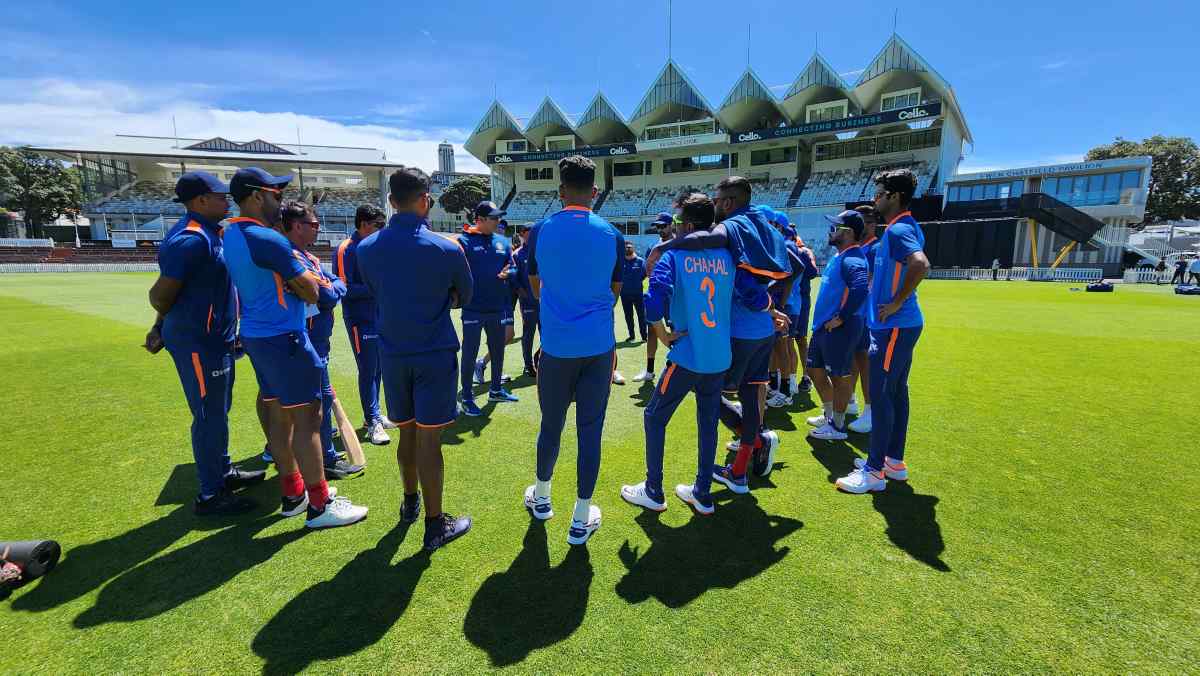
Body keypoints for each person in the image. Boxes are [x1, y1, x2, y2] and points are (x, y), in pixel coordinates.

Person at [222, 167, 368, 528]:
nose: (280, 200)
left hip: (258, 335)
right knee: (308, 419)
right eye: (276, 194)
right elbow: (314, 292)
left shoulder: (232, 232)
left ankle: (294, 494)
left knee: (279, 415)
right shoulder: (266, 239)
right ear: (256, 196)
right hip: (285, 337)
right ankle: (320, 504)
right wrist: (313, 285)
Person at [356, 166, 474, 551]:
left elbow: (375, 290)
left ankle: (410, 503)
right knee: (429, 438)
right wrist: (444, 298)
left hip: (393, 352)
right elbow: (465, 295)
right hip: (434, 353)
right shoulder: (447, 248)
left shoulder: (366, 248)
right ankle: (435, 525)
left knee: (406, 431)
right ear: (426, 200)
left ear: (391, 201)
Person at [620, 194, 748, 515]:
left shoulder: (674, 256)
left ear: (688, 226)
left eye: (677, 222)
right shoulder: (729, 255)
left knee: (654, 417)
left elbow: (653, 303)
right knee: (708, 421)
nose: (674, 228)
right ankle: (702, 492)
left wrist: (662, 334)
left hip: (689, 354)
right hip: (719, 355)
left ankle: (653, 490)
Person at [145, 171, 264, 516]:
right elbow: (160, 295)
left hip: (216, 340)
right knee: (208, 415)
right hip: (199, 343)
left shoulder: (211, 233)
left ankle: (222, 472)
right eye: (220, 196)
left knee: (218, 410)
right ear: (200, 200)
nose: (227, 201)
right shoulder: (191, 240)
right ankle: (211, 494)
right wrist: (160, 325)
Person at [522, 155, 623, 545]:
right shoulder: (612, 234)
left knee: (551, 425)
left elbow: (535, 286)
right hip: (598, 348)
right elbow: (614, 292)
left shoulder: (540, 230)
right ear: (594, 192)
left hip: (557, 347)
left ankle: (542, 498)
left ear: (561, 190)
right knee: (590, 432)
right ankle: (581, 518)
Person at [836, 169, 930, 494]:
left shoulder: (899, 229)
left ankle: (874, 471)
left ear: (895, 196)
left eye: (878, 194)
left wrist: (895, 302)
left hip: (893, 327)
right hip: (900, 326)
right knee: (896, 393)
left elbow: (920, 264)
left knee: (882, 395)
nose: (874, 200)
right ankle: (893, 462)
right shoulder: (903, 226)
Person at [278, 200, 363, 480]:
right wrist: (333, 289)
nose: (318, 229)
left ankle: (319, 454)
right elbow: (326, 295)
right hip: (306, 340)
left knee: (316, 400)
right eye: (313, 224)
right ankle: (324, 459)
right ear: (297, 226)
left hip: (317, 339)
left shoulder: (308, 257)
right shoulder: (292, 257)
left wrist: (333, 288)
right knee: (315, 401)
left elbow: (338, 283)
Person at [805, 210, 869, 441]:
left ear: (848, 232)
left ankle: (838, 426)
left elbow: (860, 287)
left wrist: (841, 317)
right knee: (814, 370)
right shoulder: (840, 256)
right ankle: (830, 415)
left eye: (835, 228)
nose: (830, 232)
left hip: (839, 328)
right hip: (824, 327)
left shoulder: (852, 258)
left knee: (839, 376)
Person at [334, 204, 390, 446]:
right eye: (379, 225)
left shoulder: (375, 247)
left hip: (379, 316)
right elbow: (343, 288)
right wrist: (377, 289)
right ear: (365, 224)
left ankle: (374, 415)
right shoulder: (346, 248)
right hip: (360, 319)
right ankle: (372, 420)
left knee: (378, 368)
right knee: (368, 369)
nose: (382, 230)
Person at [458, 201, 519, 416]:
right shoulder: (464, 241)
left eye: (498, 217)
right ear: (480, 220)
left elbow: (513, 267)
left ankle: (495, 390)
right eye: (494, 218)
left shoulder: (502, 241)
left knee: (498, 350)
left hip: (497, 307)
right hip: (473, 308)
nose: (498, 221)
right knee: (469, 353)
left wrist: (509, 273)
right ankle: (467, 397)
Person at [632, 212, 679, 384]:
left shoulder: (680, 245)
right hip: (656, 294)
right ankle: (650, 371)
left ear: (672, 225)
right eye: (657, 226)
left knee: (676, 329)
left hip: (674, 295)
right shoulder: (653, 246)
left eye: (663, 226)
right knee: (652, 330)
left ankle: (679, 366)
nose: (660, 229)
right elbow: (647, 269)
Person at [847, 204, 880, 434]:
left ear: (873, 224)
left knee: (865, 362)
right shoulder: (858, 248)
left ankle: (870, 411)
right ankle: (848, 401)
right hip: (856, 314)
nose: (863, 227)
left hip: (866, 315)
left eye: (867, 222)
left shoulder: (875, 249)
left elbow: (866, 283)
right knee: (850, 360)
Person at [512, 223, 539, 378]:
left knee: (548, 333)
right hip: (528, 302)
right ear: (522, 234)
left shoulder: (542, 251)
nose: (533, 234)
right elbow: (513, 278)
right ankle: (528, 365)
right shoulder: (517, 255)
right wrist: (521, 292)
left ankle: (541, 360)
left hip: (545, 302)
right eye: (530, 232)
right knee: (529, 334)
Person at [619, 241, 648, 343]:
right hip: (624, 294)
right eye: (626, 247)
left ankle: (644, 336)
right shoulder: (620, 262)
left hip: (638, 294)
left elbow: (645, 274)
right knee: (628, 316)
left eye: (629, 247)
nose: (628, 249)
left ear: (633, 248)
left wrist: (636, 282)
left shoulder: (640, 261)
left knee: (642, 316)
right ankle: (631, 336)